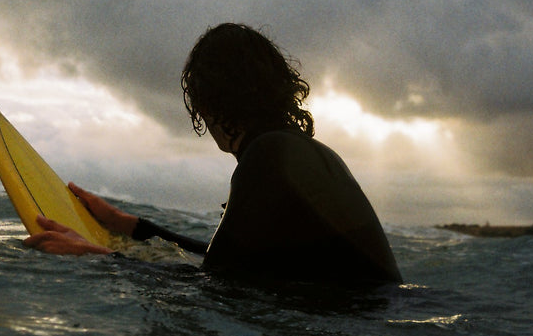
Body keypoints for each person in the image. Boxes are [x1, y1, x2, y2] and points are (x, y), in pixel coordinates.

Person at [24, 23, 402, 286]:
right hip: (393, 317)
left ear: (210, 103)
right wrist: (129, 225)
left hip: (371, 321)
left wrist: (94, 257)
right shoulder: (306, 153)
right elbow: (230, 263)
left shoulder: (267, 157)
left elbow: (215, 285)